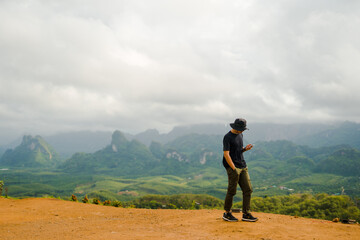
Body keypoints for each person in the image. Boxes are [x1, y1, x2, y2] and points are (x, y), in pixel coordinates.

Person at [222, 118, 258, 222]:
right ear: (236, 128)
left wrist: (245, 149)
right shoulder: (227, 137)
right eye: (241, 129)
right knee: (232, 191)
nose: (242, 131)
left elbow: (237, 151)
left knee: (248, 189)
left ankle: (246, 214)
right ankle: (227, 213)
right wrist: (233, 168)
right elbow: (226, 154)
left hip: (242, 165)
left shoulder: (240, 135)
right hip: (232, 166)